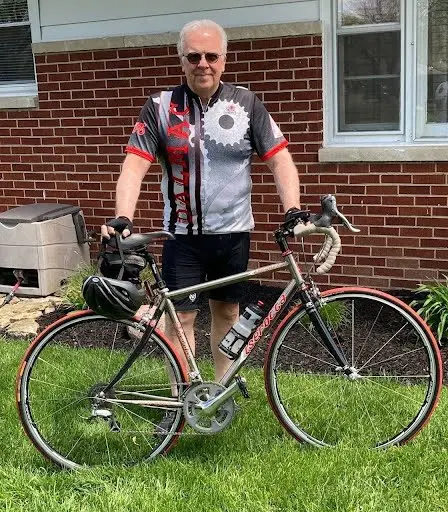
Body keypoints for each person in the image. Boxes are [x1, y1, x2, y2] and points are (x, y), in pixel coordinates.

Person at [101, 19, 305, 382]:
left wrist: (291, 208)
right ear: (181, 60)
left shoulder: (246, 104)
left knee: (228, 313)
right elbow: (134, 166)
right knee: (179, 320)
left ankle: (220, 394)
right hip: (182, 237)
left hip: (233, 234)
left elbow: (279, 159)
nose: (203, 63)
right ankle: (181, 398)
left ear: (224, 60)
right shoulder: (160, 106)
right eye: (194, 56)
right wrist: (123, 216)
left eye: (211, 55)